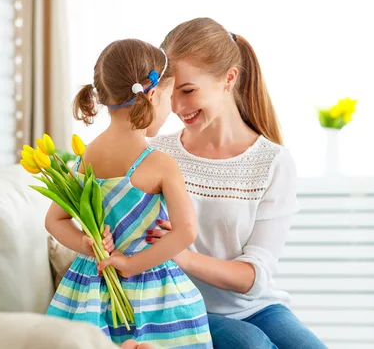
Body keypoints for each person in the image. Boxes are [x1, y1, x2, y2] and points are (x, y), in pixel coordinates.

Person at [143, 17, 327, 349]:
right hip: (179, 304)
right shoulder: (156, 154)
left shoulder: (272, 162)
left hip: (256, 308)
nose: (177, 108)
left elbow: (253, 278)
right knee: (251, 345)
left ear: (229, 78)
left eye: (188, 91)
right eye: (170, 93)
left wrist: (181, 254)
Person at [45, 38, 213, 348]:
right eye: (168, 98)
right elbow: (187, 231)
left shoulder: (85, 158)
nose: (171, 110)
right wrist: (133, 265)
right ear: (150, 95)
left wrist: (88, 244)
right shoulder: (161, 164)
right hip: (151, 293)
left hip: (90, 288)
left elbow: (54, 221)